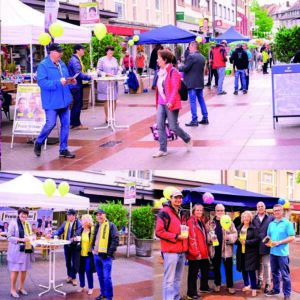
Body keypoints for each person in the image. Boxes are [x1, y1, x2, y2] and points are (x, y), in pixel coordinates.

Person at [34, 43, 76, 159]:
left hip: (64, 100)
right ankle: (39, 142)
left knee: (66, 125)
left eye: (61, 51)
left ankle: (63, 149)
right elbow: (41, 83)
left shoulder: (62, 63)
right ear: (51, 52)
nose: (61, 54)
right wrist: (58, 82)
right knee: (50, 124)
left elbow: (65, 79)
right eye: (59, 52)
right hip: (51, 101)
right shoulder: (43, 65)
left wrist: (71, 82)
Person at [153, 49, 192, 158]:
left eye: (159, 59)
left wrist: (170, 101)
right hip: (161, 103)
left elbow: (175, 88)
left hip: (171, 103)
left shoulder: (173, 72)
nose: (157, 60)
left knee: (173, 126)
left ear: (165, 60)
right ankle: (162, 149)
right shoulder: (160, 72)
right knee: (160, 126)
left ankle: (187, 138)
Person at [156, 189, 188, 300]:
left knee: (178, 278)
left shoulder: (182, 212)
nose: (178, 200)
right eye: (176, 197)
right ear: (171, 199)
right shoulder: (164, 212)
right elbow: (159, 232)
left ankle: (176, 297)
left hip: (182, 251)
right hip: (171, 251)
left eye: (180, 198)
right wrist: (176, 236)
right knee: (169, 280)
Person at [206, 204, 237, 295]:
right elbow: (206, 234)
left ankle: (230, 286)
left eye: (221, 210)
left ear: (224, 211)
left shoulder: (230, 222)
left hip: (227, 249)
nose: (220, 212)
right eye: (218, 211)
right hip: (214, 249)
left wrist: (229, 237)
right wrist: (210, 239)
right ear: (215, 212)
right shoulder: (210, 222)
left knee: (228, 268)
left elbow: (235, 234)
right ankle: (217, 284)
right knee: (216, 268)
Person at [265, 204, 295, 300]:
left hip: (283, 254)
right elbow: (268, 236)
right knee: (274, 273)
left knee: (285, 275)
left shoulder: (287, 223)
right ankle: (276, 289)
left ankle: (287, 294)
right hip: (273, 252)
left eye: (278, 210)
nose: (276, 212)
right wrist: (266, 242)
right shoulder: (271, 224)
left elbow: (292, 237)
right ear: (273, 212)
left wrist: (279, 242)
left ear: (282, 211)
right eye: (275, 210)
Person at [179, 41, 208, 127]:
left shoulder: (191, 56)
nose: (189, 49)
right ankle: (205, 117)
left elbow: (185, 67)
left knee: (192, 101)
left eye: (189, 47)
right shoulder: (202, 57)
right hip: (199, 81)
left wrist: (178, 67)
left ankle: (194, 120)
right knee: (201, 100)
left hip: (192, 82)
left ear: (193, 47)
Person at [92, 209, 119, 300]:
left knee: (107, 278)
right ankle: (103, 293)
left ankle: (109, 297)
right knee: (100, 276)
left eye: (100, 214)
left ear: (104, 215)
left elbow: (115, 240)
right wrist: (92, 248)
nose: (99, 216)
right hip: (96, 255)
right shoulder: (97, 226)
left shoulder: (111, 226)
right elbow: (95, 238)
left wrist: (108, 254)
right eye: (97, 215)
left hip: (106, 257)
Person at [187, 204, 212, 299]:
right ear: (193, 211)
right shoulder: (191, 221)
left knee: (205, 270)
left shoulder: (201, 221)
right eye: (197, 210)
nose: (199, 212)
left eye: (201, 210)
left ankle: (204, 287)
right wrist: (195, 252)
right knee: (193, 274)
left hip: (203, 252)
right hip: (195, 253)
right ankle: (191, 292)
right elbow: (192, 238)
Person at [7, 208, 34, 298]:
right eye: (22, 213)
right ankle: (13, 289)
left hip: (26, 250)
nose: (24, 215)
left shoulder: (27, 224)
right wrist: (21, 239)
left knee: (23, 270)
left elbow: (30, 234)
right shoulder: (13, 223)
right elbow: (9, 237)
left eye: (25, 214)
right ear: (19, 214)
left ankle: (21, 287)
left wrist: (32, 237)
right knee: (15, 270)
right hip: (16, 251)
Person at [52, 209, 82, 286]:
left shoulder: (79, 224)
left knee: (74, 262)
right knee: (68, 262)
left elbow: (78, 233)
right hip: (67, 245)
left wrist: (74, 238)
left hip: (74, 246)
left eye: (69, 215)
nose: (68, 216)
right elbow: (59, 231)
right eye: (67, 215)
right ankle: (69, 276)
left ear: (74, 215)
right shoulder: (65, 223)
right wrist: (52, 235)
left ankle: (73, 277)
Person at [235, 211, 260, 297]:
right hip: (241, 252)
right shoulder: (239, 227)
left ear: (250, 218)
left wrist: (246, 242)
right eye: (244, 217)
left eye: (247, 217)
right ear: (242, 218)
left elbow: (257, 239)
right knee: (244, 270)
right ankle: (246, 285)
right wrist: (238, 241)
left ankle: (254, 288)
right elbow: (236, 239)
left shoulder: (254, 228)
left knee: (251, 271)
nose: (245, 218)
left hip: (251, 253)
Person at [252, 201, 274, 293]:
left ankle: (268, 283)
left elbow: (273, 231)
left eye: (262, 206)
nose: (260, 208)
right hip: (256, 245)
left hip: (266, 245)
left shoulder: (271, 218)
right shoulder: (254, 218)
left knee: (266, 265)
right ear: (256, 208)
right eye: (258, 206)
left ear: (265, 207)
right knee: (258, 265)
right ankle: (259, 280)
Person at [68, 44, 92, 130]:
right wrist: (89, 77)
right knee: (78, 104)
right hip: (76, 85)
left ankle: (73, 122)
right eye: (82, 49)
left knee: (76, 104)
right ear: (78, 50)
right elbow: (78, 74)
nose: (84, 51)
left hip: (75, 85)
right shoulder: (75, 60)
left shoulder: (75, 59)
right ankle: (76, 124)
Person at [96, 45, 120, 123]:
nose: (111, 52)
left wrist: (119, 72)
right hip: (105, 82)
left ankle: (112, 116)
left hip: (113, 82)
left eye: (112, 50)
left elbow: (118, 68)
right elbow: (98, 70)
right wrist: (105, 74)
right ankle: (107, 117)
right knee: (107, 99)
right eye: (109, 50)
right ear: (106, 51)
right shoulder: (101, 60)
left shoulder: (115, 60)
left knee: (114, 99)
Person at [78, 214, 95, 295]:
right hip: (80, 254)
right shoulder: (80, 230)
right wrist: (75, 239)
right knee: (81, 271)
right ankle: (82, 286)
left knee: (88, 271)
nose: (82, 222)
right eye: (82, 220)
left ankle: (91, 287)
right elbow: (75, 237)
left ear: (87, 222)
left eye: (83, 221)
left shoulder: (92, 230)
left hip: (88, 254)